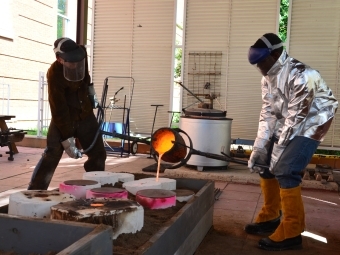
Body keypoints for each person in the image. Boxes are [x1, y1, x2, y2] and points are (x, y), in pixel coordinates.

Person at [246, 33, 338, 251]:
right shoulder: (267, 77)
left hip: (313, 120)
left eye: (262, 62)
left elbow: (298, 118)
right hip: (289, 118)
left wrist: (277, 155)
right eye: (257, 65)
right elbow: (268, 112)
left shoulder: (303, 75)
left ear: (276, 54)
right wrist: (259, 148)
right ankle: (270, 216)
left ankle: (293, 231)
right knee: (265, 162)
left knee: (286, 169)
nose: (260, 68)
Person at [28, 37, 107, 190]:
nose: (75, 64)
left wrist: (92, 95)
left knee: (98, 153)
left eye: (78, 61)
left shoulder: (81, 54)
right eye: (71, 61)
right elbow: (58, 108)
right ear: (59, 59)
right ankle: (35, 191)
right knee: (52, 153)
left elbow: (86, 78)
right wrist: (67, 139)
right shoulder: (54, 73)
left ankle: (95, 188)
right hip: (65, 117)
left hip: (85, 114)